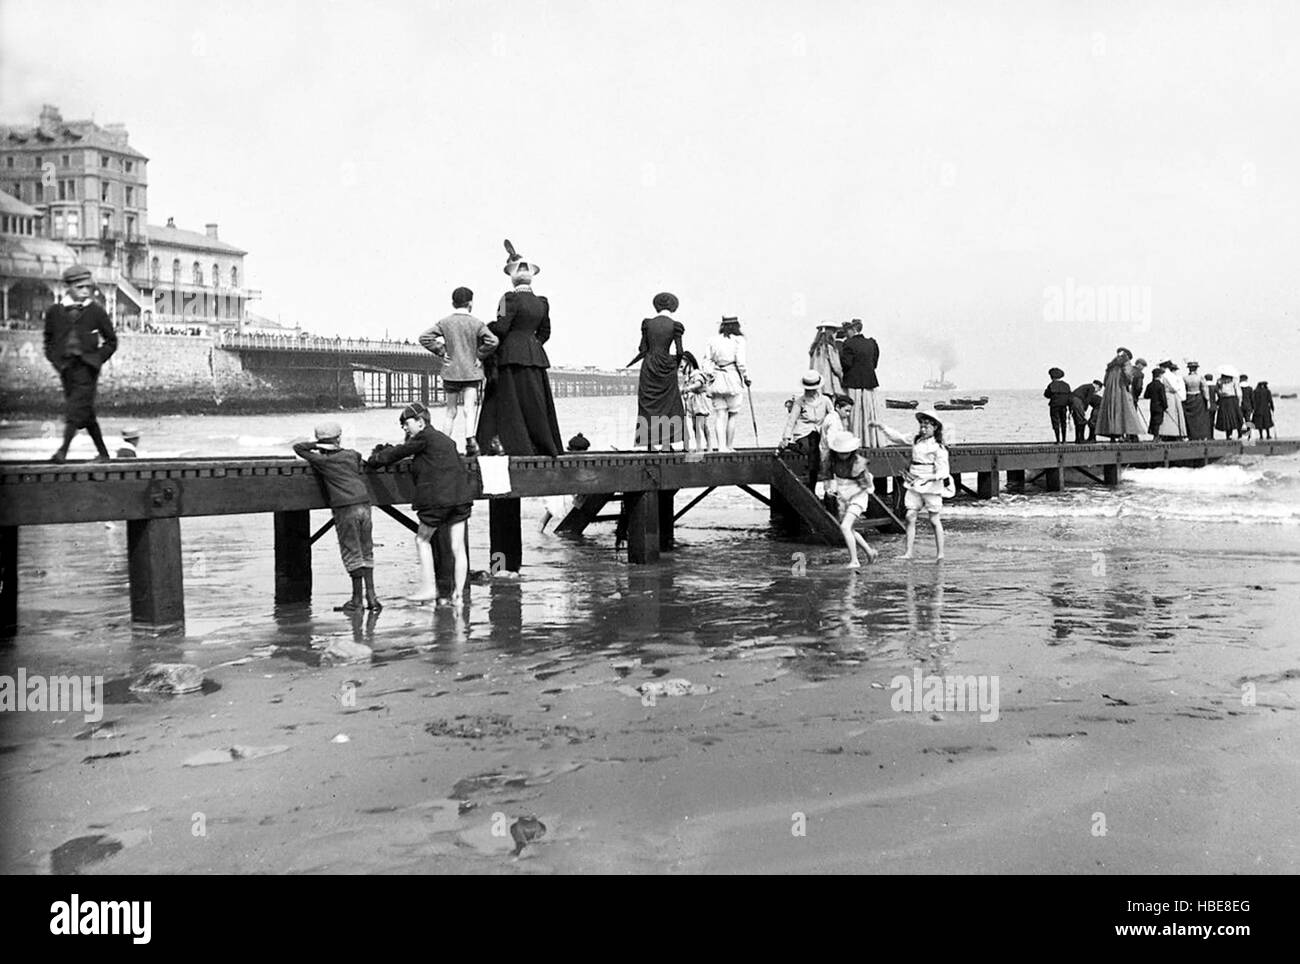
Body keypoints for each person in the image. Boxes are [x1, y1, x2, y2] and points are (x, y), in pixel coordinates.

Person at [368, 403, 473, 603]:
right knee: (457, 547)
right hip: (461, 498)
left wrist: (374, 460)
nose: (405, 428)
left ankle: (428, 589)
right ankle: (458, 596)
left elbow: (397, 453)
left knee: (422, 540)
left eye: (406, 424)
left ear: (420, 422)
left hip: (438, 500)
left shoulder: (423, 437)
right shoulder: (445, 440)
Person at [475, 249, 564, 456]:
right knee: (536, 404)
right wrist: (530, 345)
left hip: (510, 358)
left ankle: (503, 446)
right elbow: (545, 332)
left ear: (512, 278)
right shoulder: (542, 303)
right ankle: (541, 446)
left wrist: (485, 330)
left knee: (507, 402)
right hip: (534, 357)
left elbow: (502, 326)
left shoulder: (508, 299)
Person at [293, 422, 381, 613]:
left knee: (352, 551)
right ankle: (372, 598)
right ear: (339, 438)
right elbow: (358, 458)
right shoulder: (351, 454)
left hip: (345, 507)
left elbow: (298, 448)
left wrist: (317, 446)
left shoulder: (323, 461)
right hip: (364, 503)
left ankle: (357, 601)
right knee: (366, 550)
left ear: (321, 442)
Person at [43, 265, 118, 462]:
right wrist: (57, 361)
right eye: (80, 287)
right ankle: (103, 454)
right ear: (68, 287)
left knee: (75, 409)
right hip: (67, 370)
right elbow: (48, 341)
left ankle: (62, 452)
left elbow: (112, 341)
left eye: (88, 287)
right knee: (86, 413)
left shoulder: (96, 312)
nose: (85, 291)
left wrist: (97, 358)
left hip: (88, 370)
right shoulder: (54, 312)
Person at [419, 286, 499, 456]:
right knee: (469, 409)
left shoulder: (445, 322)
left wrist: (442, 351)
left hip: (451, 372)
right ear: (470, 303)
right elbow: (493, 341)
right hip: (471, 371)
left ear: (453, 303)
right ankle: (471, 444)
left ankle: (442, 446)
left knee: (450, 411)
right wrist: (479, 355)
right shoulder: (477, 323)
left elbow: (424, 338)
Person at [871, 411, 952, 561]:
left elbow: (943, 471)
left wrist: (927, 478)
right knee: (909, 516)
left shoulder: (938, 447)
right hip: (913, 483)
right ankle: (908, 552)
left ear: (935, 427)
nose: (923, 427)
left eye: (927, 425)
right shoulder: (916, 440)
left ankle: (940, 554)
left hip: (931, 486)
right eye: (922, 424)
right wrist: (882, 427)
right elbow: (898, 437)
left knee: (934, 520)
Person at [629, 292, 686, 451]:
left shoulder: (647, 323)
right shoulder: (676, 325)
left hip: (649, 365)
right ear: (674, 306)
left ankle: (649, 444)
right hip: (667, 365)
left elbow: (642, 348)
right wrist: (675, 363)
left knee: (648, 404)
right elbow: (680, 351)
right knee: (669, 404)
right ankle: (667, 444)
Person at [823, 431, 880, 570]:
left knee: (845, 527)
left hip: (858, 495)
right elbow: (827, 477)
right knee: (849, 528)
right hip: (843, 495)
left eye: (847, 452)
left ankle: (855, 561)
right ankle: (870, 552)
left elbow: (866, 487)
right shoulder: (830, 460)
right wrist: (829, 488)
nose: (843, 455)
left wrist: (850, 495)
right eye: (841, 452)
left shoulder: (858, 463)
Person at [779, 371, 835, 488]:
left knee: (815, 446)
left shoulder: (825, 401)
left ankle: (813, 483)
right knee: (810, 448)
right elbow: (791, 420)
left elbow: (833, 417)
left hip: (820, 431)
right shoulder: (800, 402)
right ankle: (789, 445)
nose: (809, 391)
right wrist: (786, 437)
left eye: (811, 389)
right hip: (803, 431)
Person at [704, 315, 750, 452]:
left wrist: (709, 375)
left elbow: (706, 360)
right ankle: (729, 446)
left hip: (717, 379)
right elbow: (741, 363)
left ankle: (721, 447)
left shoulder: (712, 340)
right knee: (733, 415)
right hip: (733, 379)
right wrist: (746, 377)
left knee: (720, 415)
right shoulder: (739, 340)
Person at [840, 318, 881, 447]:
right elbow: (874, 363)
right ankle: (871, 441)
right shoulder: (872, 343)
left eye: (847, 331)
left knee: (854, 413)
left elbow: (846, 363)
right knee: (869, 411)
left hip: (853, 383)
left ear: (853, 330)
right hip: (869, 383)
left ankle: (854, 440)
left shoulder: (848, 343)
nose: (846, 334)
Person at [539, 435, 591, 533]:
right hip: (565, 491)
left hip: (574, 492)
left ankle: (543, 532)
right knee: (551, 510)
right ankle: (540, 532)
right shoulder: (568, 460)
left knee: (554, 512)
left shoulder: (581, 462)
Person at [1096, 348, 1145, 441]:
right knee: (1124, 411)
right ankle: (1128, 434)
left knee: (1111, 411)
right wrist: (1127, 384)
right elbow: (1128, 376)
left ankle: (1113, 436)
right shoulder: (1126, 363)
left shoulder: (1110, 366)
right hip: (1120, 388)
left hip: (1109, 392)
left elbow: (1105, 381)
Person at [679, 351, 715, 452]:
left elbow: (698, 384)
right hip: (692, 403)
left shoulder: (697, 373)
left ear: (689, 363)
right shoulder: (688, 377)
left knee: (702, 425)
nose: (681, 367)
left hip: (699, 402)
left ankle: (709, 446)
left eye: (682, 364)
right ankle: (699, 445)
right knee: (695, 426)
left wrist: (687, 389)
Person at [808, 324, 845, 397]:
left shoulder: (814, 348)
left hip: (816, 384)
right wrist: (842, 377)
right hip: (828, 385)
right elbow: (837, 367)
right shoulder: (830, 348)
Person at [1182, 361, 1212, 440]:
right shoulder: (1200, 377)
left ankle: (1190, 435)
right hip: (1198, 398)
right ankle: (1200, 435)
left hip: (1188, 397)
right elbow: (1205, 389)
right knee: (1200, 418)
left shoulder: (1185, 378)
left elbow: (1183, 389)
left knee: (1189, 418)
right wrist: (1207, 400)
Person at [1157, 360, 1187, 439]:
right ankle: (1175, 433)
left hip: (1169, 395)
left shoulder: (1166, 375)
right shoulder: (1172, 375)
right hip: (1173, 396)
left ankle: (1168, 433)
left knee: (1168, 414)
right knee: (1175, 414)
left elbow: (1173, 387)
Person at [1044, 367, 1072, 443]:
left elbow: (1047, 395)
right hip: (1064, 406)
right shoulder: (1066, 385)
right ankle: (1064, 440)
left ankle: (1058, 440)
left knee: (1055, 422)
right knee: (1063, 422)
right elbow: (1070, 396)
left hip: (1054, 406)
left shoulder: (1051, 385)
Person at [1215, 372, 1245, 438]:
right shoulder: (1234, 380)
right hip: (1232, 400)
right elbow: (1238, 392)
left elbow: (1217, 390)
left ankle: (1229, 435)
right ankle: (1238, 434)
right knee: (1236, 417)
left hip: (1225, 400)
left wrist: (1221, 393)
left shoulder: (1219, 381)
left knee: (1227, 418)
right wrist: (1239, 401)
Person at [1143, 364, 1168, 438]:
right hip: (1159, 406)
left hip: (1152, 405)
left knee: (1153, 421)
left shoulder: (1149, 385)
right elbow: (1163, 397)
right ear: (1159, 375)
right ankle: (1156, 436)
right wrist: (1165, 406)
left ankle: (1155, 436)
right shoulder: (1161, 385)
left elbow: (1146, 396)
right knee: (1158, 421)